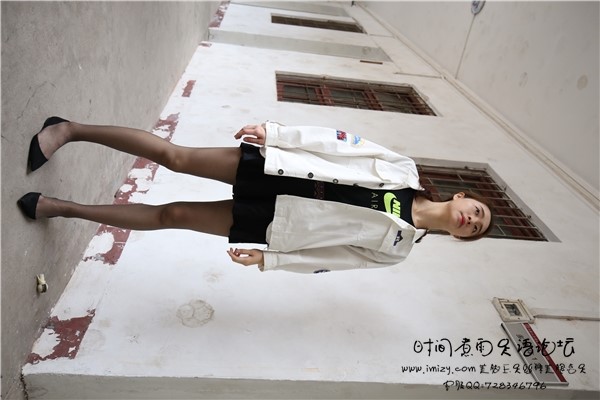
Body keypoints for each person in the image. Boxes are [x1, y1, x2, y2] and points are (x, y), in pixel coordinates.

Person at [18, 117, 493, 273]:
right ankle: (69, 130)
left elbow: (336, 259)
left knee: (173, 215)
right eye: (476, 210)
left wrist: (273, 260)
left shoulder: (398, 250)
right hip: (283, 170)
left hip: (279, 223)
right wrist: (278, 133)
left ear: (461, 236)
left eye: (475, 228)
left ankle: (63, 208)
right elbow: (342, 143)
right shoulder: (404, 170)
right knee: (176, 157)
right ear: (461, 197)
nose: (471, 219)